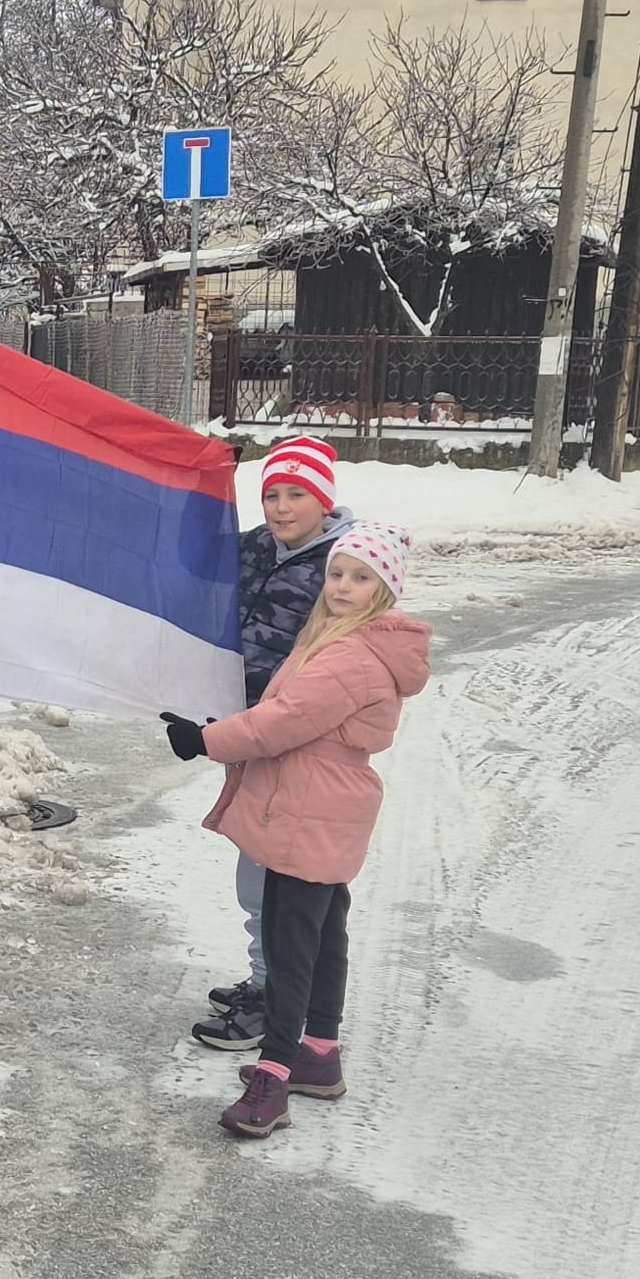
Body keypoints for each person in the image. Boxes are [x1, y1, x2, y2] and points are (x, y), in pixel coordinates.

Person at [159, 521, 430, 1135]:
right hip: (326, 804)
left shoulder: (351, 657)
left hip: (310, 807)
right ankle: (319, 1056)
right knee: (325, 930)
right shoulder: (344, 643)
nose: (342, 586)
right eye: (337, 573)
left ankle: (274, 1075)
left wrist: (203, 740)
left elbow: (280, 723)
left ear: (385, 591)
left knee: (291, 946)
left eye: (361, 578)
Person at [198, 437, 358, 1053]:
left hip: (295, 742)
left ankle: (276, 1000)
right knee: (261, 866)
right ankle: (272, 981)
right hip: (254, 732)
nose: (282, 507)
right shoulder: (256, 547)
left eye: (297, 494)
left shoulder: (342, 569)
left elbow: (344, 661)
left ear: (324, 499)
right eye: (271, 494)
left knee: (272, 874)